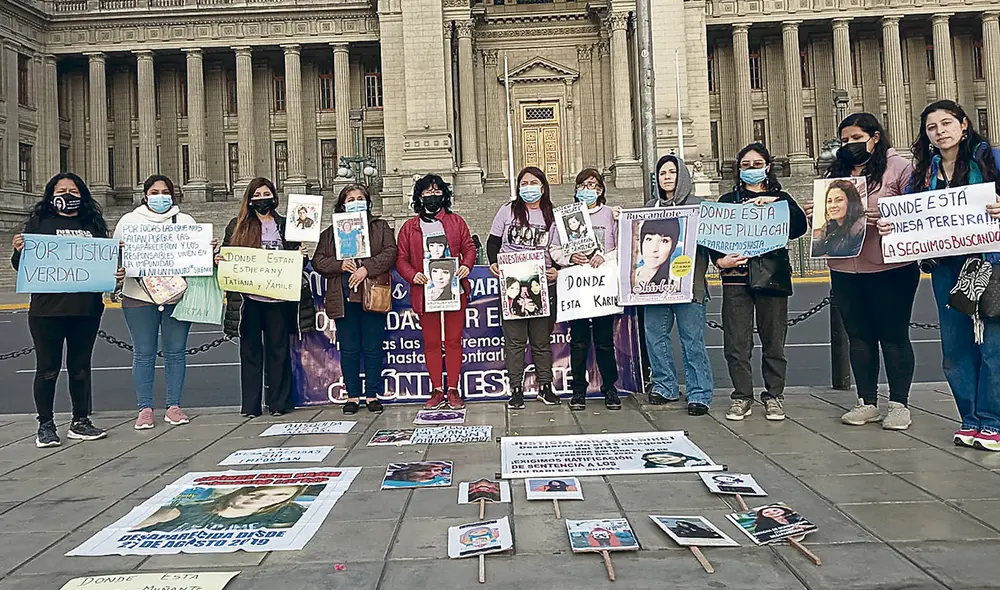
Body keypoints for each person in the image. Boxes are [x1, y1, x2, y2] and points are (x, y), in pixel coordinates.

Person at [886, 100, 1000, 449]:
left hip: (988, 262)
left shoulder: (991, 159)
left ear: (964, 125)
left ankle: (993, 421)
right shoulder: (923, 173)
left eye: (947, 123)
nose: (940, 131)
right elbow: (909, 217)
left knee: (992, 344)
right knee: (955, 347)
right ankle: (969, 419)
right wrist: (894, 225)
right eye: (932, 127)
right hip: (945, 266)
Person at [810, 113, 919, 430]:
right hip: (844, 265)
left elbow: (916, 209)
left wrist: (884, 213)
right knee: (858, 336)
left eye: (856, 138)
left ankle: (899, 404)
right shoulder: (837, 172)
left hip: (890, 266)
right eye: (844, 140)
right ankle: (867, 401)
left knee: (894, 335)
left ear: (874, 137)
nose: (849, 145)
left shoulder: (898, 168)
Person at [11, 173, 114, 447]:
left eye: (74, 190)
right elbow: (21, 267)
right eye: (62, 189)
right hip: (47, 310)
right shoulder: (39, 224)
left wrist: (115, 268)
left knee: (80, 367)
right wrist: (19, 251)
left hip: (86, 307)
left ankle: (80, 420)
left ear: (82, 194)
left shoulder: (92, 225)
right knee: (47, 369)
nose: (68, 194)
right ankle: (45, 425)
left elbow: (104, 264)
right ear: (51, 194)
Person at [710, 143, 807, 422]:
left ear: (767, 167)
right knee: (736, 342)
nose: (751, 169)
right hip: (736, 277)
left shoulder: (781, 198)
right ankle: (741, 396)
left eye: (757, 164)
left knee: (773, 340)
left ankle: (774, 395)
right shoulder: (728, 201)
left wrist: (778, 204)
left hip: (771, 275)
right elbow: (714, 236)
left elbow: (799, 227)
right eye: (746, 165)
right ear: (738, 170)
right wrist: (720, 261)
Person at [114, 175, 213, 430]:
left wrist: (207, 250)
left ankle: (174, 406)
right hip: (138, 296)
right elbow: (113, 259)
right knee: (143, 353)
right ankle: (144, 408)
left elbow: (196, 259)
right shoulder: (128, 222)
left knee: (176, 352)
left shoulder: (186, 221)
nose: (160, 196)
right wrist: (120, 258)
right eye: (155, 192)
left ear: (173, 194)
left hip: (176, 296)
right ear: (145, 195)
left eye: (165, 191)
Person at [222, 177, 304, 417]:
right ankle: (251, 405)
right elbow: (229, 257)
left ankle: (279, 403)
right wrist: (221, 258)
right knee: (250, 352)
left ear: (274, 197)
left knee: (278, 351)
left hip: (278, 298)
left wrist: (301, 255)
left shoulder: (286, 225)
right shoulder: (236, 226)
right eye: (256, 195)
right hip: (249, 300)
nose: (261, 199)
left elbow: (295, 260)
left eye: (265, 194)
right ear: (249, 200)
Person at [313, 183, 397, 415]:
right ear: (342, 204)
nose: (355, 201)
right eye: (350, 199)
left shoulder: (380, 227)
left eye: (360, 198)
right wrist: (340, 265)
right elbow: (318, 261)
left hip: (373, 294)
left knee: (372, 347)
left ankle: (371, 394)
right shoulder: (330, 233)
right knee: (349, 349)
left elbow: (390, 252)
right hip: (343, 295)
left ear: (368, 203)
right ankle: (352, 395)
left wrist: (366, 269)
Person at [395, 174, 476, 410]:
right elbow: (401, 259)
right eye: (427, 193)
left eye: (436, 191)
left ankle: (452, 388)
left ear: (444, 195)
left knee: (452, 341)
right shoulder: (410, 227)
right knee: (431, 342)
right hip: (425, 292)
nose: (432, 196)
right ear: (419, 197)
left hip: (453, 290)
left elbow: (469, 247)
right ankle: (436, 389)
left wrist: (465, 266)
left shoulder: (456, 222)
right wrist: (413, 275)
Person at [643, 155, 714, 416]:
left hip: (689, 285)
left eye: (672, 172)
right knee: (655, 337)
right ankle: (665, 385)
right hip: (654, 288)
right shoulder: (650, 207)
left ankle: (699, 392)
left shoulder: (698, 206)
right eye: (662, 173)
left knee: (692, 340)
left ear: (681, 175)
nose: (667, 177)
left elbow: (711, 241)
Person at [487, 166, 560, 408]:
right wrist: (493, 263)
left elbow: (559, 251)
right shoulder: (507, 211)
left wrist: (557, 270)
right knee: (515, 340)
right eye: (524, 183)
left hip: (542, 284)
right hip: (512, 283)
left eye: (533, 182)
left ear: (542, 186)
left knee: (541, 340)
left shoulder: (552, 215)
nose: (528, 187)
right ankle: (516, 389)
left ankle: (545, 387)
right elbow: (493, 243)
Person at [549, 168, 621, 411]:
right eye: (583, 185)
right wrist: (571, 257)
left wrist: (604, 257)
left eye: (592, 185)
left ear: (600, 189)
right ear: (576, 189)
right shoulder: (565, 216)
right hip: (577, 288)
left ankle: (610, 388)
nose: (587, 189)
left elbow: (623, 246)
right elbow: (554, 250)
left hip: (603, 287)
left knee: (604, 341)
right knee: (578, 341)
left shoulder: (611, 215)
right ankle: (578, 390)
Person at [133, 485, 317, 532]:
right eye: (261, 492)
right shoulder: (185, 510)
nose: (264, 497)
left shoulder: (285, 515)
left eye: (279, 496)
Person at [811, 179, 866, 257]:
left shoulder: (860, 228)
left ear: (851, 202)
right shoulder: (829, 225)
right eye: (829, 201)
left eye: (839, 200)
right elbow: (819, 245)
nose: (833, 205)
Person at [633, 217, 681, 290]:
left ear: (673, 246)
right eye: (649, 239)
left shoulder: (676, 284)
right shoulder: (628, 277)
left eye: (664, 241)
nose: (654, 249)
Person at [641, 450, 710, 468]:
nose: (658, 459)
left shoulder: (696, 464)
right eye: (652, 459)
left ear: (683, 458)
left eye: (664, 457)